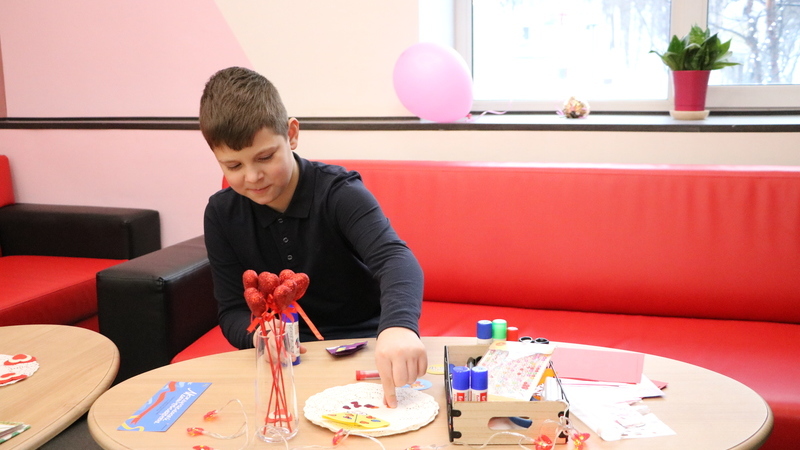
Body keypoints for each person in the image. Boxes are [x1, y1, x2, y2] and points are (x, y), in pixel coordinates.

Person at [198, 66, 427, 408]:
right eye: (233, 166)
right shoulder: (221, 214)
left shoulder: (340, 192)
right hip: (287, 357)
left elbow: (395, 259)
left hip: (364, 343)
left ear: (291, 134)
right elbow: (231, 309)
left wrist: (398, 327)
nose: (253, 176)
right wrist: (261, 337)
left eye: (265, 157)